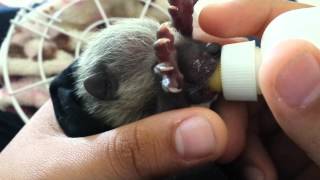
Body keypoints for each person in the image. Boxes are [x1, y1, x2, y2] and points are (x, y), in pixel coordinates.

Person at [0, 0, 319, 179]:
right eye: (162, 66)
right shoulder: (110, 123)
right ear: (106, 89)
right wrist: (172, 93)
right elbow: (161, 122)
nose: (196, 53)